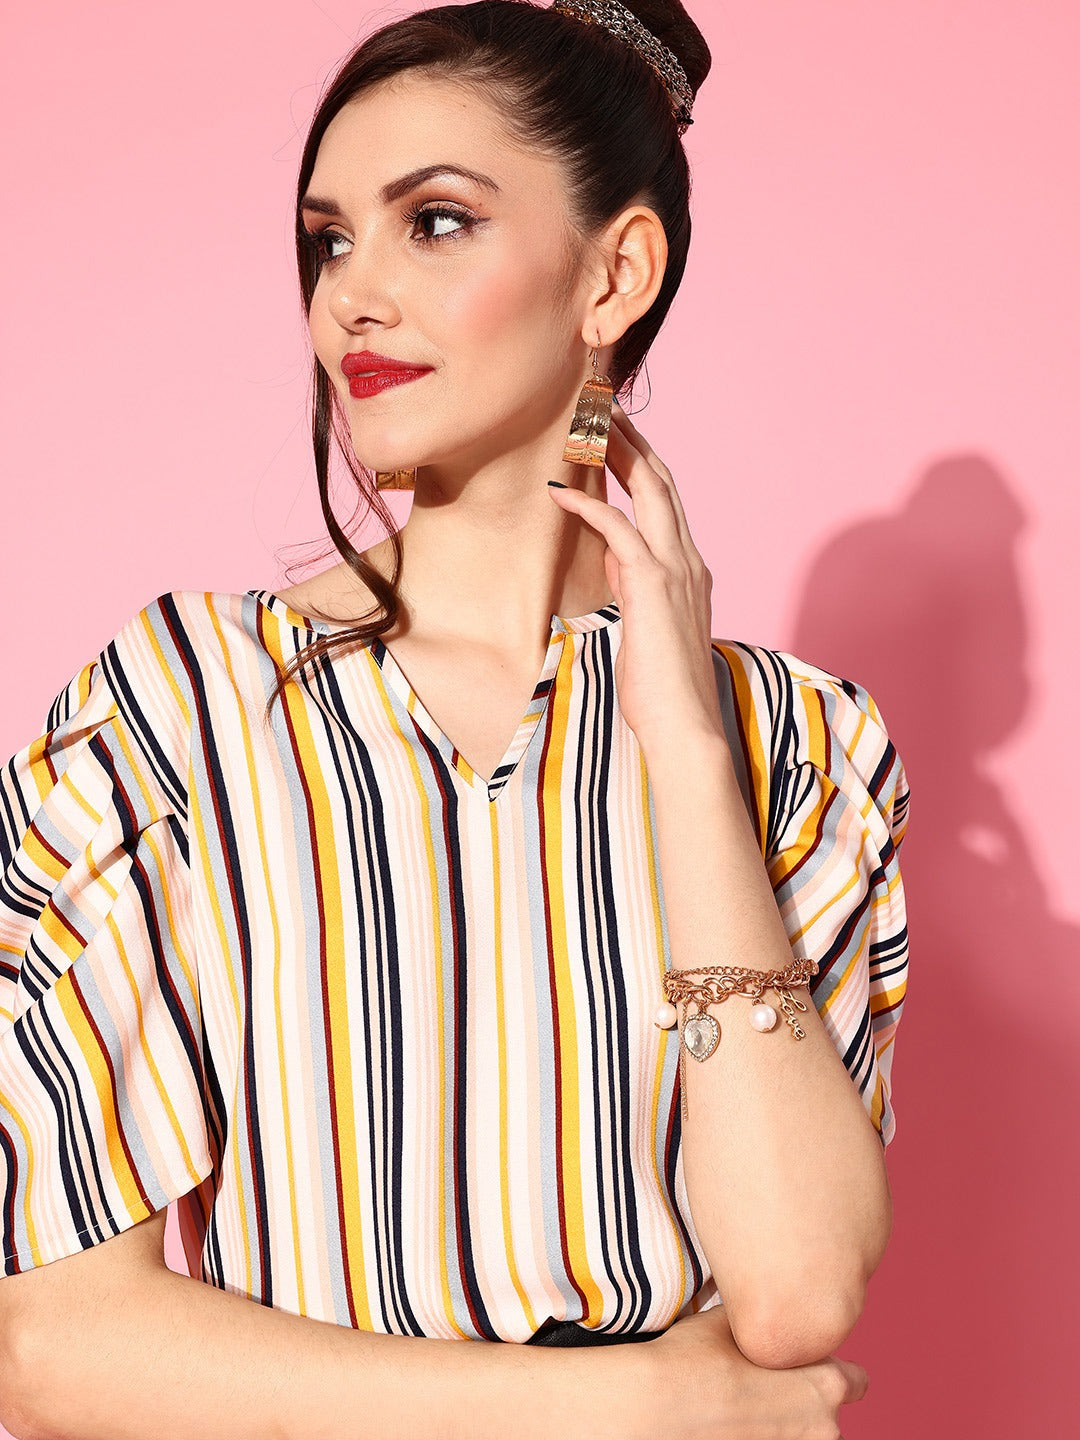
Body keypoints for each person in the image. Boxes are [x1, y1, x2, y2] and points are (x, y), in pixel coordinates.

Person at [0, 2, 907, 1437]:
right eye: (329, 240)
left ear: (615, 273)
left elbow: (799, 1293)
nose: (351, 296)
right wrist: (625, 1410)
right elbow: (46, 1345)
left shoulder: (800, 745)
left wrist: (682, 741)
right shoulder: (185, 708)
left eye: (433, 222)